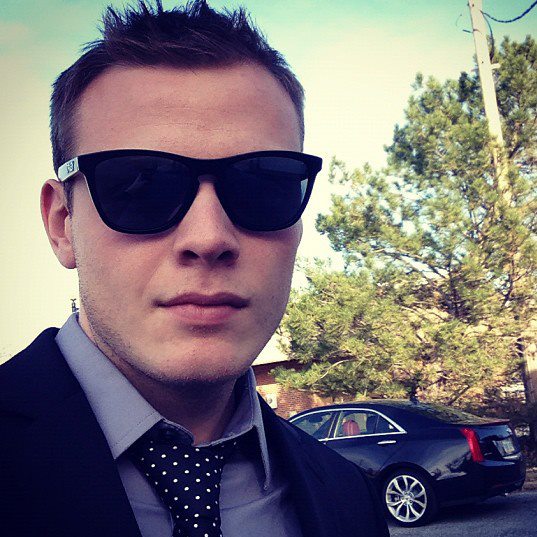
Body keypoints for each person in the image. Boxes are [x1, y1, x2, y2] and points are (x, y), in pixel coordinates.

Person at [0, 2, 389, 536]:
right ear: (62, 224)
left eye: (263, 186)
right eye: (140, 186)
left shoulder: (347, 494)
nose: (208, 238)